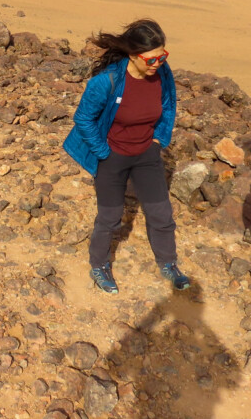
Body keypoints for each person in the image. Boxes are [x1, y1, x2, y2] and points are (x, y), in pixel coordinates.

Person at [63, 18, 190, 294]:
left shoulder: (162, 74)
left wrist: (159, 140)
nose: (158, 64)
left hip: (147, 153)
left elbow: (168, 106)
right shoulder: (106, 82)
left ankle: (168, 263)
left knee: (161, 214)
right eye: (152, 59)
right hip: (113, 156)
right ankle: (99, 266)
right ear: (133, 55)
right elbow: (83, 118)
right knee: (109, 218)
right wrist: (103, 152)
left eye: (163, 56)